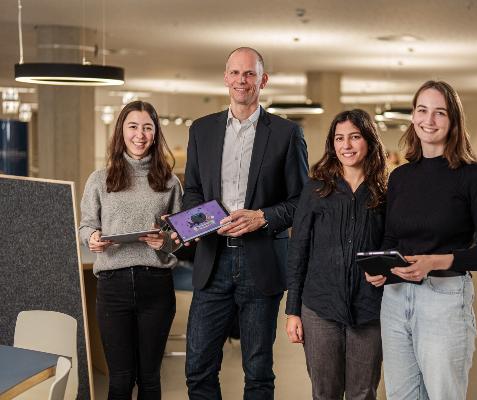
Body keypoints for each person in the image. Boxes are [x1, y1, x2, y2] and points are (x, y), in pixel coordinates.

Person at [179, 47, 308, 399]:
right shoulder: (201, 130)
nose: (242, 80)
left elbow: (302, 202)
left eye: (249, 74)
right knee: (198, 368)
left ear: (262, 80)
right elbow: (192, 190)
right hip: (212, 260)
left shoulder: (286, 134)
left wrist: (263, 217)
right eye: (235, 73)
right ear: (225, 78)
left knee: (258, 371)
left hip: (261, 264)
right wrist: (205, 221)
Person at [366, 80, 477, 400]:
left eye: (439, 113)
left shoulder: (474, 177)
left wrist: (435, 262)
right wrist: (381, 268)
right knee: (400, 395)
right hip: (396, 298)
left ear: (453, 121)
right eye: (422, 110)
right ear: (413, 117)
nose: (429, 120)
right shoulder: (399, 176)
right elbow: (392, 237)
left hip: (444, 298)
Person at [79, 101, 182, 399]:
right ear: (121, 131)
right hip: (113, 287)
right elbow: (85, 225)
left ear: (155, 133)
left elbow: (179, 239)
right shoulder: (100, 179)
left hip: (156, 286)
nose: (140, 134)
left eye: (147, 127)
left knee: (150, 378)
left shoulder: (169, 182)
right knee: (121, 379)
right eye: (133, 127)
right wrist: (92, 237)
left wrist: (163, 241)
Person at [285, 109, 387, 400]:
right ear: (332, 144)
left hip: (370, 309)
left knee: (362, 392)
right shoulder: (316, 189)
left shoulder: (385, 192)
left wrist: (388, 272)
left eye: (355, 137)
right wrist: (293, 310)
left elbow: (395, 244)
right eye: (339, 138)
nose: (347, 145)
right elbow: (298, 250)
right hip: (319, 308)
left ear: (369, 141)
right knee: (324, 393)